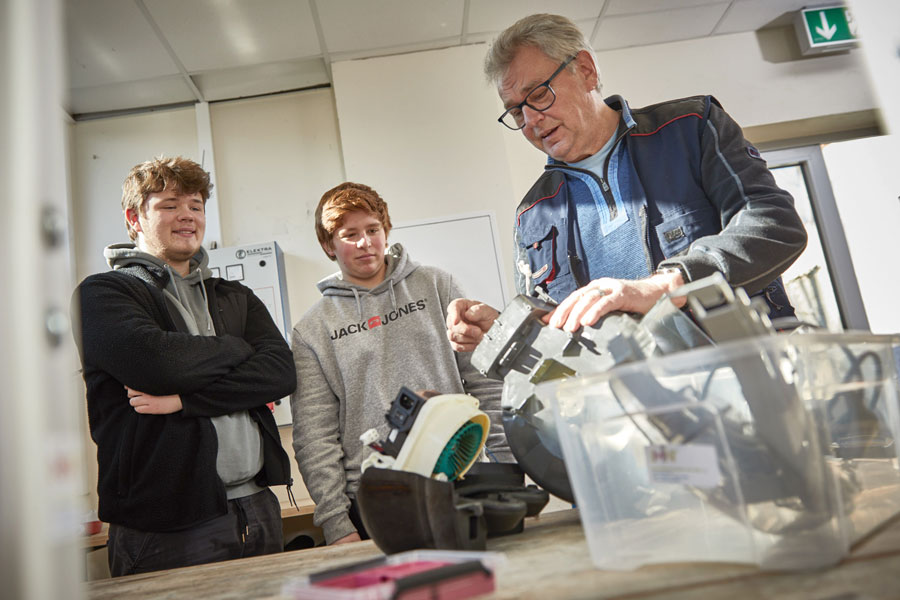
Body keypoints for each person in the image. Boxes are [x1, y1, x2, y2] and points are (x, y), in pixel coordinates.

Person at [447, 13, 808, 351]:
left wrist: (671, 284)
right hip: (632, 409)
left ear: (586, 71)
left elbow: (776, 223)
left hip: (750, 373)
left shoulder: (690, 129)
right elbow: (554, 341)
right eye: (515, 110)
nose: (530, 120)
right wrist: (507, 332)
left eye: (538, 94)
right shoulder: (534, 215)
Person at [72, 156, 295, 576]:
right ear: (134, 218)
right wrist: (235, 348)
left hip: (256, 506)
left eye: (196, 205)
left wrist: (184, 401)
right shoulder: (103, 294)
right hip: (166, 524)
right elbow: (159, 365)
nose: (187, 216)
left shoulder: (233, 295)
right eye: (170, 204)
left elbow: (280, 372)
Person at [290, 182, 511, 546]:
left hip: (461, 470)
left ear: (385, 230)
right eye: (350, 235)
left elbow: (483, 379)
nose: (365, 243)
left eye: (373, 230)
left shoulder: (437, 285)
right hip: (379, 491)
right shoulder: (313, 329)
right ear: (329, 245)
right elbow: (315, 434)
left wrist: (504, 467)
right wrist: (336, 522)